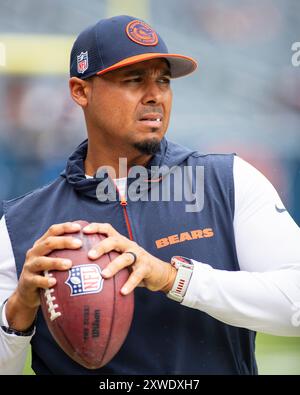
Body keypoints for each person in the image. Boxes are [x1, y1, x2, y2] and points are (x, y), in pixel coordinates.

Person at [0, 15, 300, 375]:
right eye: (133, 80)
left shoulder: (228, 181)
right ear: (81, 91)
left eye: (163, 80)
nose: (155, 95)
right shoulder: (19, 225)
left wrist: (173, 279)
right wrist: (17, 311)